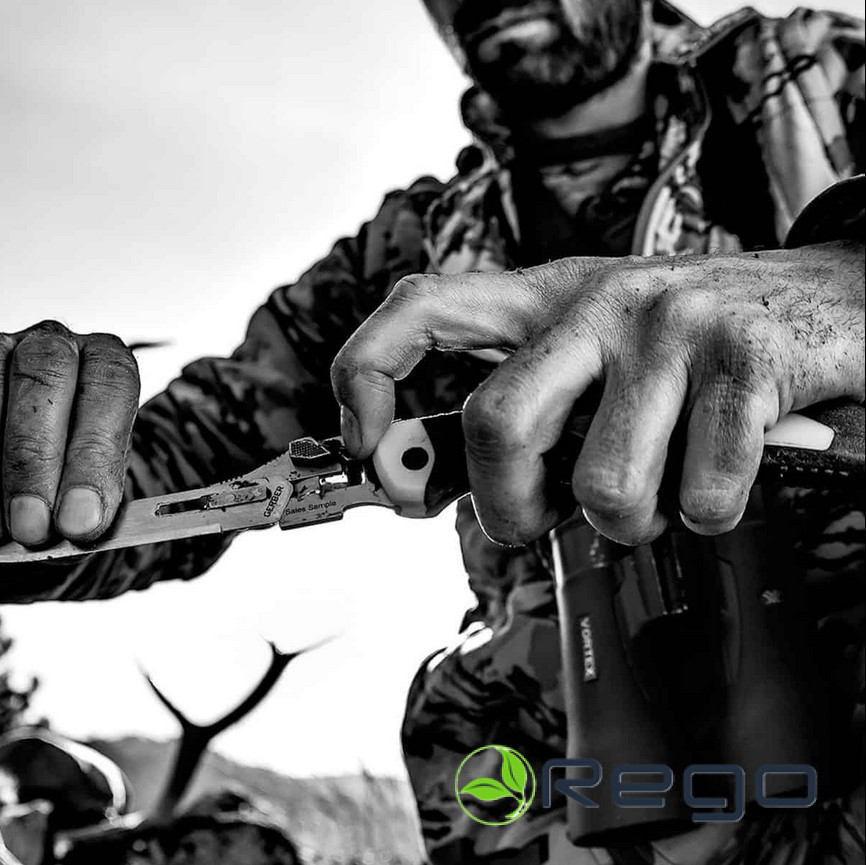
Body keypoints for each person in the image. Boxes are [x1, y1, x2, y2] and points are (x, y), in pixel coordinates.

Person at [0, 1, 863, 862]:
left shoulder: (828, 83)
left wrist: (846, 288)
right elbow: (164, 477)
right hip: (550, 810)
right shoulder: (405, 254)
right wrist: (28, 467)